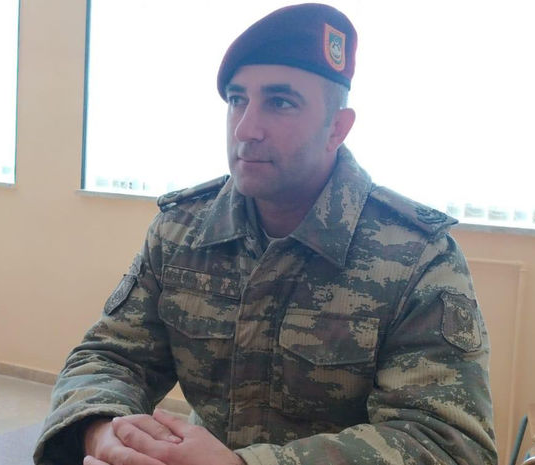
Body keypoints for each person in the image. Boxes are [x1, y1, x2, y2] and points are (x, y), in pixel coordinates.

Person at [34, 3, 497, 465]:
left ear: (337, 128)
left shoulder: (416, 256)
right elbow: (111, 356)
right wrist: (103, 431)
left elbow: (446, 443)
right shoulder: (182, 231)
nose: (246, 128)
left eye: (280, 103)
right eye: (237, 100)